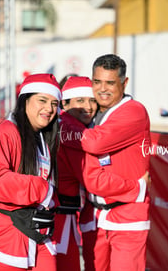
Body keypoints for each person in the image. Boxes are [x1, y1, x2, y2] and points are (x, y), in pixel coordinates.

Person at [61, 54, 151, 271]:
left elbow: (95, 143)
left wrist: (60, 127)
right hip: (95, 215)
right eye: (97, 82)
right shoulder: (92, 115)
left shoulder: (133, 111)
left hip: (127, 214)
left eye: (110, 83)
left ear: (124, 83)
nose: (102, 89)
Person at [0, 73, 61, 271]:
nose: (49, 109)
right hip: (3, 241)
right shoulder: (7, 131)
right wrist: (43, 189)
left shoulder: (45, 136)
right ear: (25, 100)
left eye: (55, 103)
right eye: (42, 100)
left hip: (38, 236)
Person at [54, 76, 98, 271]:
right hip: (59, 216)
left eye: (92, 100)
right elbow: (92, 179)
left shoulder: (66, 123)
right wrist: (135, 186)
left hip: (64, 213)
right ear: (65, 103)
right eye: (80, 100)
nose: (88, 106)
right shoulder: (71, 128)